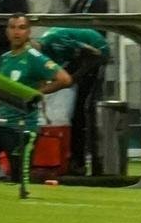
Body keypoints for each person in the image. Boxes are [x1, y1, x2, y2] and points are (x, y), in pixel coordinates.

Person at [0, 15, 72, 187]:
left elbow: (65, 79)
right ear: (7, 32)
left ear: (29, 32)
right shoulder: (5, 58)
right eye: (13, 27)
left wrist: (36, 93)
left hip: (21, 128)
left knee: (20, 178)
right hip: (0, 125)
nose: (17, 32)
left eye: (22, 28)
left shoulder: (34, 57)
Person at [33, 27, 110, 177]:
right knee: (75, 104)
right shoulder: (45, 55)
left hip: (97, 51)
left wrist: (75, 77)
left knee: (83, 109)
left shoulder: (54, 40)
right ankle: (76, 161)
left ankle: (84, 163)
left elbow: (92, 52)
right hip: (82, 58)